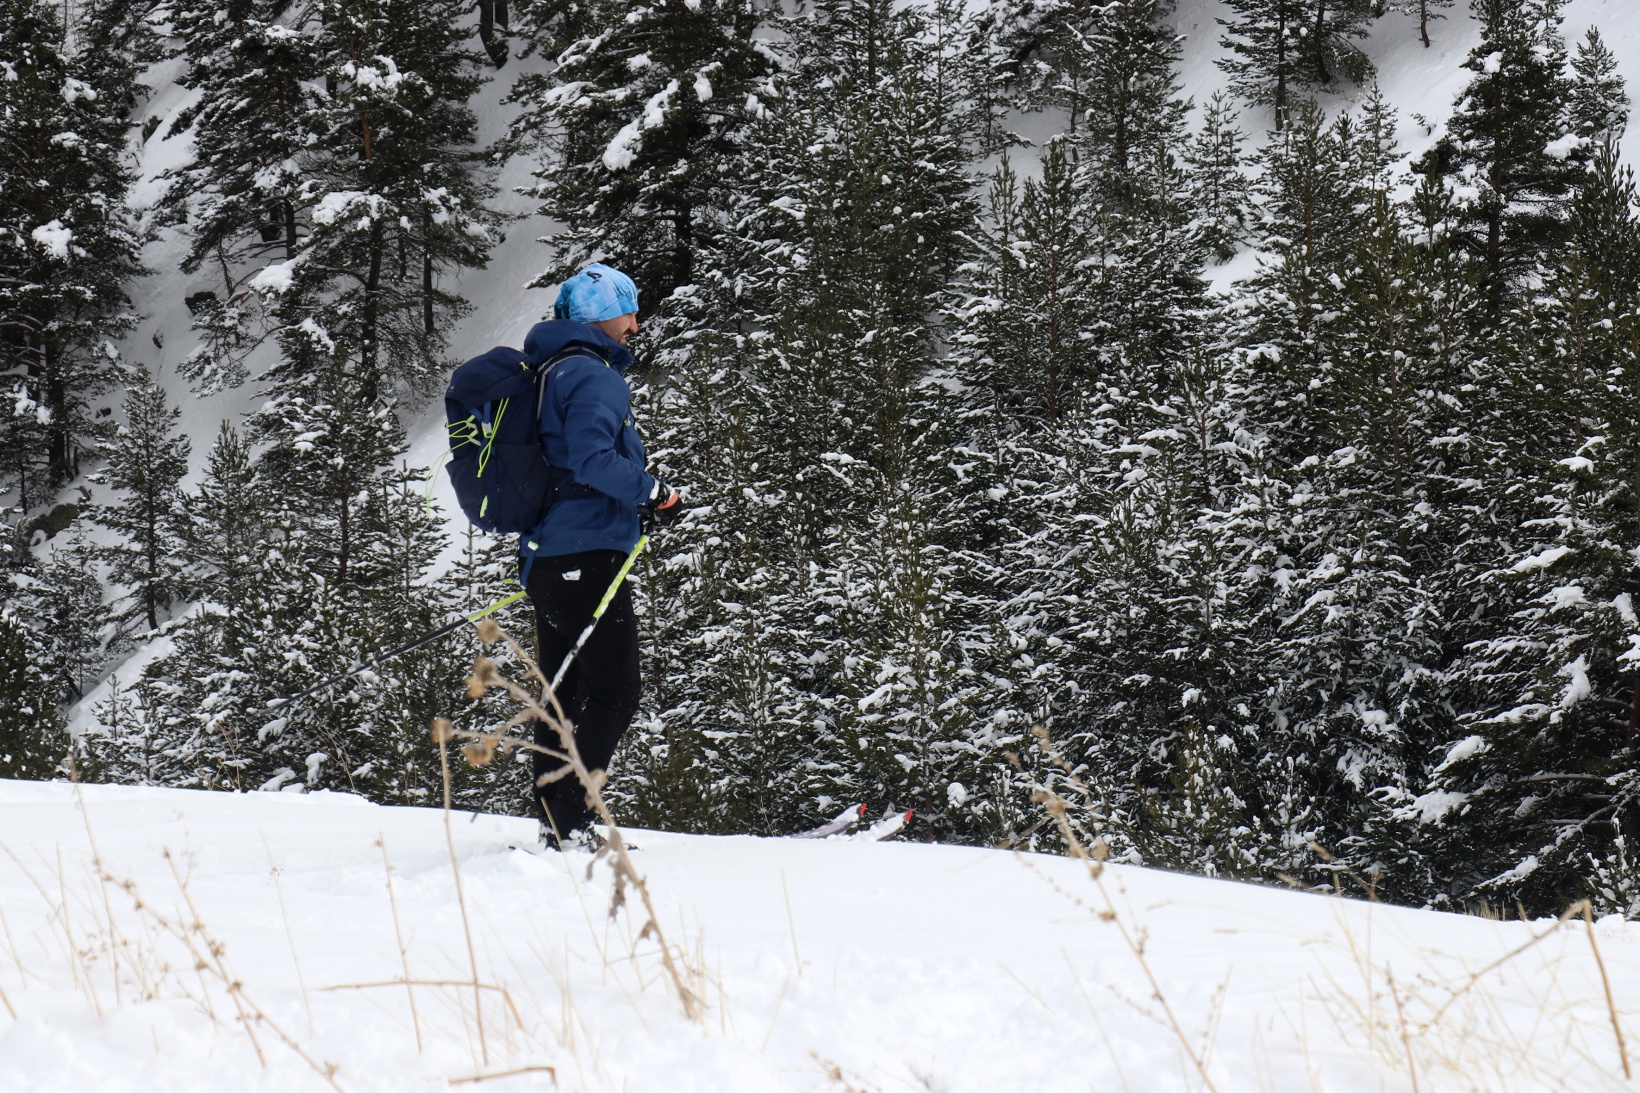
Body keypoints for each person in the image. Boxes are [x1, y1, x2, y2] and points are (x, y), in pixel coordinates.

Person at [518, 262, 680, 848]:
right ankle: (573, 821)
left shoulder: (548, 370)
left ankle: (552, 819)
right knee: (615, 691)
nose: (635, 323)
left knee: (563, 688)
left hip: (547, 555)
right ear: (600, 316)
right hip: (586, 553)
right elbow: (592, 460)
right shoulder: (591, 376)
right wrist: (655, 490)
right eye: (628, 310)